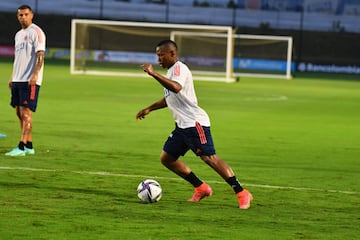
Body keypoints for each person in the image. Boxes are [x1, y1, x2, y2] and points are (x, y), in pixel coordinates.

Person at [136, 40, 253, 209]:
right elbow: (170, 98)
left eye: (161, 55)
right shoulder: (170, 72)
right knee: (167, 158)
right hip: (182, 126)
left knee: (209, 157)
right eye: (157, 55)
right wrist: (149, 108)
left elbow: (176, 88)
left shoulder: (179, 68)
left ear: (173, 54)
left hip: (194, 123)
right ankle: (201, 188)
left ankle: (241, 192)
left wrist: (153, 74)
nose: (158, 59)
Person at [5, 5, 46, 157]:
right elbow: (18, 58)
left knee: (26, 113)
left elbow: (40, 55)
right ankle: (29, 145)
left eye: (26, 14)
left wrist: (35, 75)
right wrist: (12, 76)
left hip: (29, 80)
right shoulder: (18, 35)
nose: (23, 17)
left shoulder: (37, 32)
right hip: (18, 79)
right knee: (19, 112)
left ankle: (21, 147)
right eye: (20, 15)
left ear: (31, 15)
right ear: (18, 17)